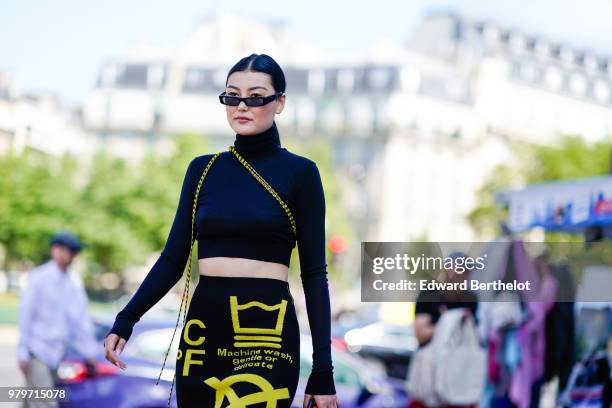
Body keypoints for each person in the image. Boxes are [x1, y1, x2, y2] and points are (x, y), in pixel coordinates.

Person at [103, 53, 339, 408]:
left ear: (280, 102)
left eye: (256, 96)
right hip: (204, 327)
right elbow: (172, 258)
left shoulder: (301, 173)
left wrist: (324, 369)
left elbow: (315, 275)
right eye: (232, 96)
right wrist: (126, 319)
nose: (241, 105)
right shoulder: (202, 170)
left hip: (267, 329)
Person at [17, 231, 99, 408]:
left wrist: (89, 352)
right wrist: (22, 351)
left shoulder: (73, 281)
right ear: (56, 250)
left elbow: (80, 320)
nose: (73, 256)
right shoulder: (39, 277)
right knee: (46, 404)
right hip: (36, 352)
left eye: (75, 252)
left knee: (30, 402)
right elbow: (26, 316)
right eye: (70, 251)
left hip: (57, 354)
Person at [410, 251, 479, 408]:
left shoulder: (471, 299)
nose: (464, 277)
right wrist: (449, 322)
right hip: (431, 378)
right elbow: (420, 334)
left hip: (460, 376)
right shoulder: (429, 294)